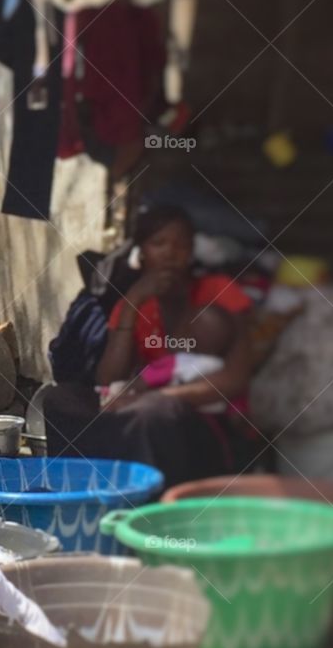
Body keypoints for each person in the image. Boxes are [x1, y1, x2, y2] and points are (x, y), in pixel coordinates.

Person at [43, 204, 261, 487]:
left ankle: (147, 504)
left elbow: (236, 379)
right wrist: (133, 302)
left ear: (192, 251)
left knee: (153, 412)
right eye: (159, 243)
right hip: (142, 406)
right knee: (61, 399)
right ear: (141, 252)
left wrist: (158, 396)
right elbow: (108, 379)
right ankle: (74, 492)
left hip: (204, 421)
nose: (171, 253)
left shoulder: (217, 290)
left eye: (181, 245)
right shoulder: (132, 300)